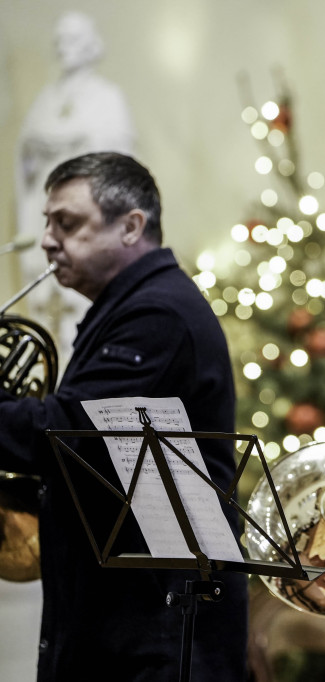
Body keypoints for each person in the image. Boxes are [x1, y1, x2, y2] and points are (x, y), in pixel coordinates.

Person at [0, 152, 248, 682]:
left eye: (67, 223)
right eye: (47, 223)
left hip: (157, 630)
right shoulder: (131, 304)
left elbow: (63, 434)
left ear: (131, 225)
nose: (47, 239)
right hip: (124, 620)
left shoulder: (157, 313)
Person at [15, 10, 136, 373]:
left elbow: (118, 156)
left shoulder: (106, 97)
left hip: (85, 216)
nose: (62, 48)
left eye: (71, 39)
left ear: (89, 44)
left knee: (81, 301)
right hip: (47, 202)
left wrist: (70, 143)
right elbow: (26, 153)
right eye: (59, 41)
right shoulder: (46, 98)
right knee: (42, 297)